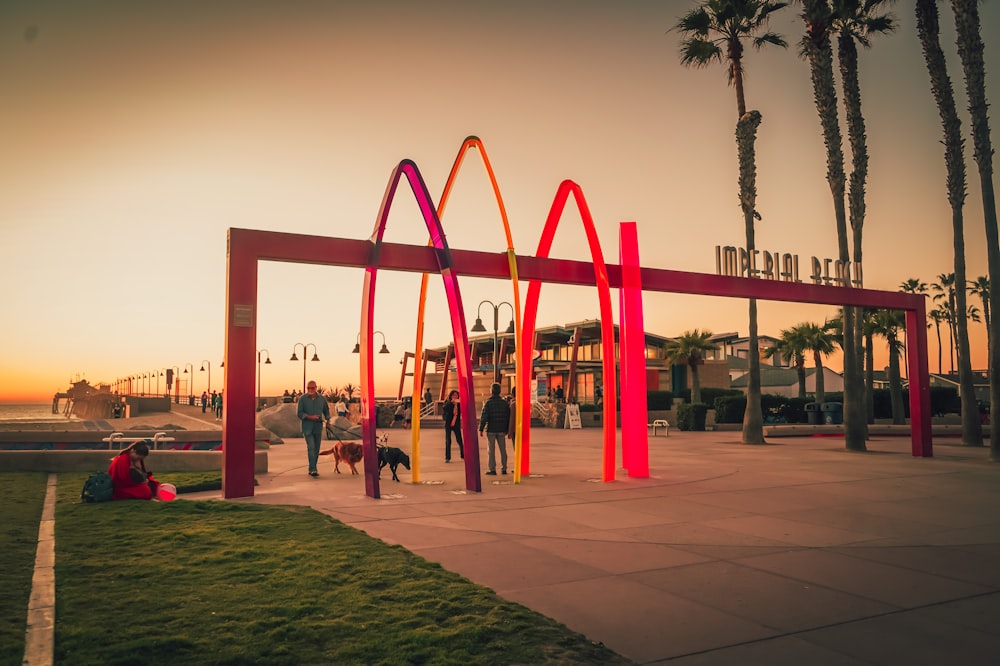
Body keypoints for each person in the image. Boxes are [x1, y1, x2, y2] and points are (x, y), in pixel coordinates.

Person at [297, 380, 330, 477]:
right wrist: (309, 417)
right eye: (308, 388)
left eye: (312, 388)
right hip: (307, 428)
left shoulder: (322, 399)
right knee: (311, 447)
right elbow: (299, 413)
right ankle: (312, 468)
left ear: (316, 388)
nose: (310, 390)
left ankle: (313, 467)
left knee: (316, 449)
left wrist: (328, 420)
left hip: (318, 427)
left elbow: (326, 411)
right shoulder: (302, 399)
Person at [479, 383, 510, 475]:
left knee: (491, 450)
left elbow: (484, 416)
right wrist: (507, 429)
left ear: (491, 391)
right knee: (503, 449)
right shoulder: (504, 403)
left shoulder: (488, 403)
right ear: (500, 391)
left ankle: (492, 469)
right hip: (501, 430)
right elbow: (508, 416)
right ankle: (504, 468)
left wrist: (481, 428)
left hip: (491, 429)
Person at [442, 390, 464, 462]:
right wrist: (451, 403)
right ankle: (447, 457)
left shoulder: (459, 403)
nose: (455, 396)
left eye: (456, 395)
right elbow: (444, 408)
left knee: (459, 440)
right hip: (448, 423)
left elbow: (464, 410)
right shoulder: (448, 402)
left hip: (456, 423)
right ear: (451, 396)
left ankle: (463, 455)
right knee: (448, 440)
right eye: (453, 395)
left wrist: (460, 402)